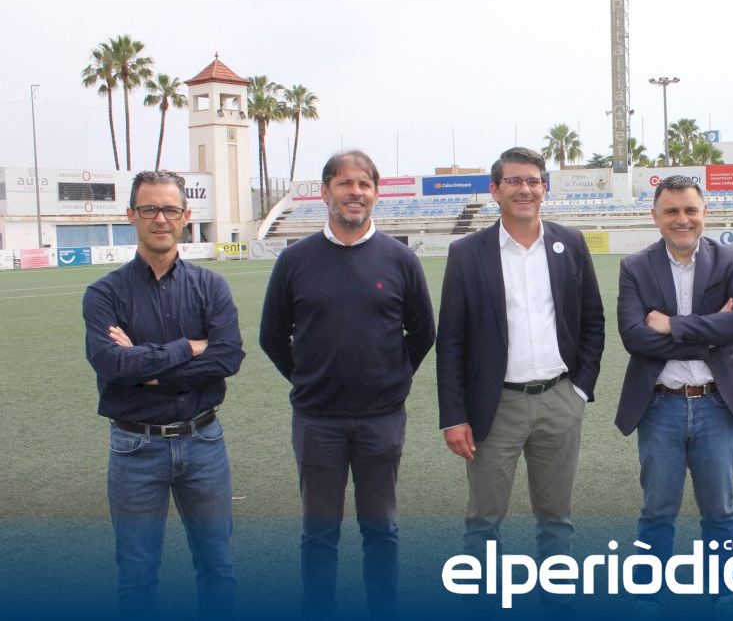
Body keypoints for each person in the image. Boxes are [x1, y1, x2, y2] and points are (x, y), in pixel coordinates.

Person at [260, 150, 435, 619]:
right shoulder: (295, 260)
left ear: (375, 194)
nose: (355, 192)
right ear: (325, 192)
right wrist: (308, 379)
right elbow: (272, 336)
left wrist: (392, 379)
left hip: (381, 420)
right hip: (317, 421)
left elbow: (423, 332)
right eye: (344, 183)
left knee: (381, 527)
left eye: (364, 184)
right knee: (319, 531)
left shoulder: (400, 259)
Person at [436, 147, 604, 608]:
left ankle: (557, 600)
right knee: (484, 520)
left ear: (544, 188)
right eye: (514, 181)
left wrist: (579, 390)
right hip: (494, 407)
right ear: (495, 190)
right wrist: (454, 416)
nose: (525, 189)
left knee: (556, 518)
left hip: (559, 400)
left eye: (533, 181)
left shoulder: (570, 243)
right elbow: (451, 340)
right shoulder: (467, 253)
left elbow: (592, 321)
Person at [83, 170, 245, 617]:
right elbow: (113, 365)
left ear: (186, 216)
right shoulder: (104, 294)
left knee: (217, 565)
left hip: (204, 441)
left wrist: (148, 370)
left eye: (170, 210)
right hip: (135, 446)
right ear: (131, 215)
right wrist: (188, 348)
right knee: (136, 574)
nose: (160, 219)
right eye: (150, 209)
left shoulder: (211, 287)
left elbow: (228, 357)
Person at [614, 175, 733, 617]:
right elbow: (634, 337)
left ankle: (725, 592)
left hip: (717, 403)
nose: (682, 219)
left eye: (690, 210)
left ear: (704, 213)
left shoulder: (729, 258)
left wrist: (673, 326)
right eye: (672, 211)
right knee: (657, 509)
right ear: (655, 216)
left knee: (720, 509)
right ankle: (648, 594)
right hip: (660, 405)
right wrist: (710, 332)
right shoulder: (635, 266)